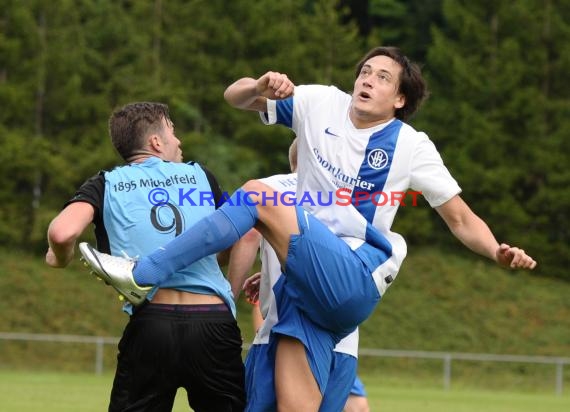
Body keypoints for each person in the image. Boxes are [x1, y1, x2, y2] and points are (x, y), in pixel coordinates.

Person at [78, 47, 537, 411]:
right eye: (365, 70)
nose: (367, 79)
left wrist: (497, 249)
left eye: (382, 77)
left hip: (354, 272)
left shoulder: (412, 146)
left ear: (400, 99)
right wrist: (258, 85)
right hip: (305, 301)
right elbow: (234, 98)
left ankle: (143, 273)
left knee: (257, 194)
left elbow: (459, 218)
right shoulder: (320, 102)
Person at [46, 102, 246, 411]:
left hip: (153, 324)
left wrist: (58, 258)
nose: (178, 141)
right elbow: (236, 231)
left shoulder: (104, 184)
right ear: (156, 142)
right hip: (213, 324)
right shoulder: (201, 177)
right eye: (173, 132)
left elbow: (62, 233)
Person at [238, 138, 370, 411]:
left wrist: (230, 294)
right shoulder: (353, 199)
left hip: (283, 333)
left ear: (294, 160)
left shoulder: (270, 187)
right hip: (344, 343)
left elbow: (249, 234)